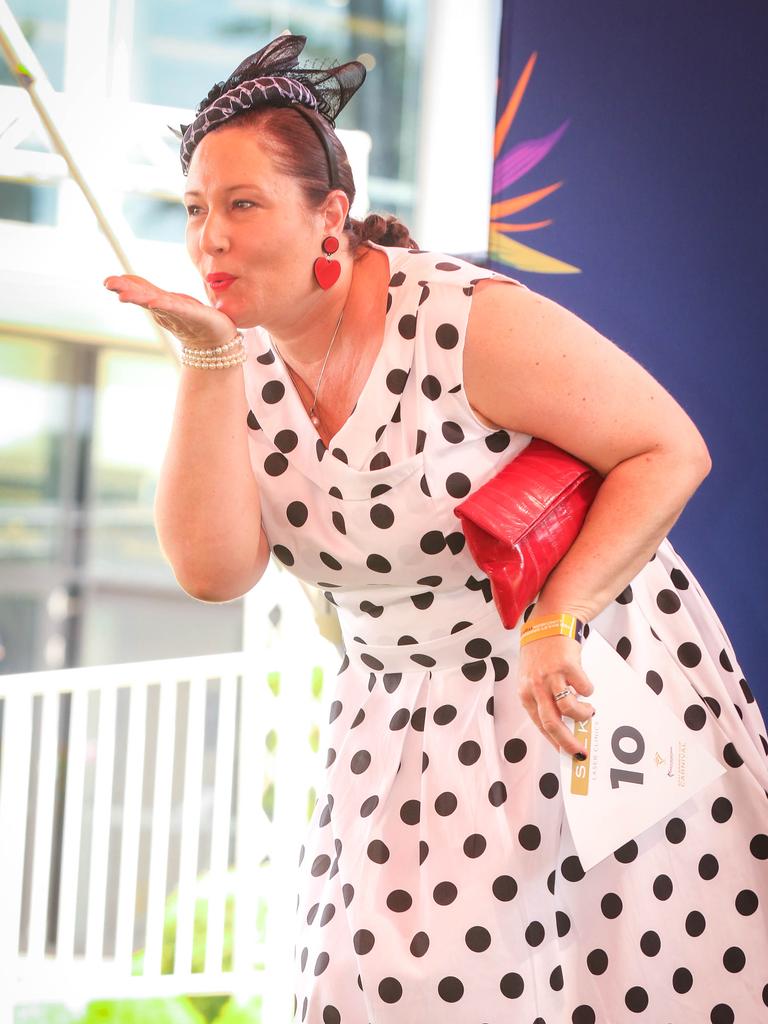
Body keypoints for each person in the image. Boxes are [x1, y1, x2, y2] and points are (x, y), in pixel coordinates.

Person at [104, 33, 767, 1024]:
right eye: (198, 208)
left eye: (243, 205)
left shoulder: (460, 320)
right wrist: (206, 361)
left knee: (623, 980)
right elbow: (213, 570)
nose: (210, 239)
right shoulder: (236, 353)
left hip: (578, 685)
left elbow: (668, 448)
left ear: (330, 214)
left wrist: (561, 619)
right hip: (399, 720)